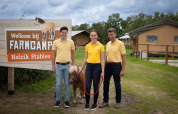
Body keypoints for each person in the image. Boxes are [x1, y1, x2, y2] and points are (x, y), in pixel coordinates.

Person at [99, 28, 126, 109]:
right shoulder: (108, 44)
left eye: (112, 34)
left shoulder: (120, 43)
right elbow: (106, 57)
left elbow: (123, 58)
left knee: (117, 84)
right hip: (108, 66)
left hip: (117, 66)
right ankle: (105, 101)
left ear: (115, 34)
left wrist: (123, 69)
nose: (110, 36)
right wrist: (103, 68)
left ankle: (118, 102)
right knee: (105, 84)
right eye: (109, 34)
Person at [79, 29, 105, 110]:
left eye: (94, 35)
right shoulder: (87, 46)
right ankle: (87, 103)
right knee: (87, 86)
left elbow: (102, 59)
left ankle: (94, 103)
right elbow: (85, 58)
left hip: (97, 67)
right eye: (91, 35)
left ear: (97, 36)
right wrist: (81, 68)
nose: (93, 37)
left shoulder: (101, 46)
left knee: (95, 86)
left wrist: (103, 71)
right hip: (89, 67)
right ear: (90, 36)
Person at [52, 26, 75, 108]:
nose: (64, 34)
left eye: (65, 33)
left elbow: (73, 53)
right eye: (62, 32)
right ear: (60, 33)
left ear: (67, 33)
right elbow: (53, 55)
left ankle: (67, 101)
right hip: (58, 66)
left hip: (67, 66)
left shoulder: (71, 42)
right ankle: (58, 100)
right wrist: (53, 67)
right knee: (58, 84)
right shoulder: (55, 42)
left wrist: (73, 65)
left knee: (67, 84)